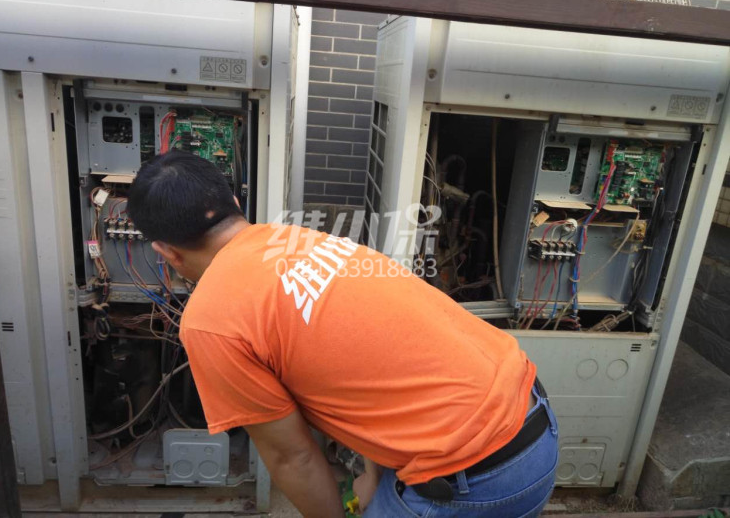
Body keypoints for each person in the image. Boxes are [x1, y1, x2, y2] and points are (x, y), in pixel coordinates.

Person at [128, 150, 559, 518]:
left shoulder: (211, 320)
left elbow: (291, 457)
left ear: (165, 252)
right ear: (236, 204)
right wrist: (374, 471)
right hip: (534, 423)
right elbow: (374, 357)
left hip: (472, 478)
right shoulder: (301, 238)